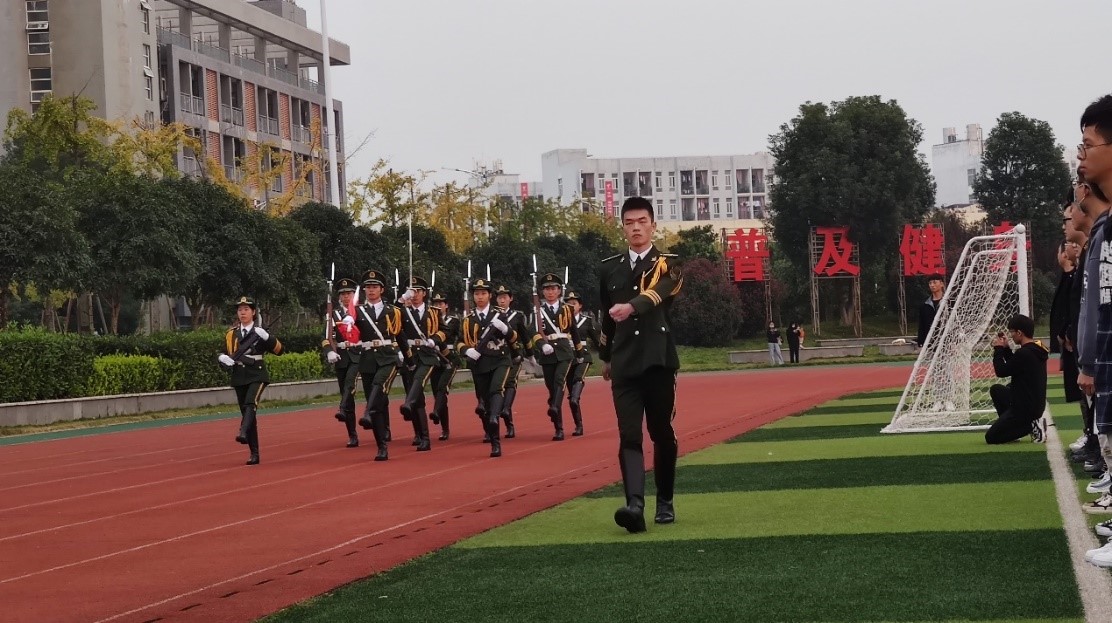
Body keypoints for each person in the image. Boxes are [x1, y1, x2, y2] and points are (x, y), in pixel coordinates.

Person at [599, 196, 683, 533]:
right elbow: (606, 316)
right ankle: (635, 505)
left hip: (659, 360)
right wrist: (606, 357)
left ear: (653, 225)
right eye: (630, 222)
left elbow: (663, 290)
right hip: (624, 362)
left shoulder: (669, 263)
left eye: (642, 221)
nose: (636, 227)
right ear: (623, 227)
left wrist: (631, 306)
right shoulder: (608, 268)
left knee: (661, 432)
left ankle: (665, 500)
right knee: (629, 434)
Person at [459, 278, 524, 458]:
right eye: (476, 294)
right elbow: (460, 341)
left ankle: (495, 422)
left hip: (500, 359)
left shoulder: (499, 314)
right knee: (485, 400)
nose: (479, 297)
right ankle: (491, 427)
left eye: (483, 293)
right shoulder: (468, 319)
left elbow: (513, 337)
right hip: (479, 364)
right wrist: (467, 350)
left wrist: (505, 329)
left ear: (489, 295)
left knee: (497, 389)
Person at [217, 296, 283, 466]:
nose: (243, 313)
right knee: (247, 413)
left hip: (257, 374)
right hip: (239, 375)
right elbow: (223, 351)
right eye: (240, 310)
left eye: (246, 309)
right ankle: (254, 453)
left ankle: (242, 431)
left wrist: (267, 337)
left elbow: (279, 350)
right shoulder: (231, 334)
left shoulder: (259, 332)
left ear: (253, 312)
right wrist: (222, 358)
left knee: (250, 404)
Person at [354, 269, 404, 462]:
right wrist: (347, 324)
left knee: (378, 386)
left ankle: (367, 412)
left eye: (375, 287)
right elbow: (351, 335)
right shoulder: (358, 311)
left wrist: (407, 358)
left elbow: (400, 336)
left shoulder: (393, 311)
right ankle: (381, 446)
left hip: (388, 358)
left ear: (382, 289)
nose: (371, 290)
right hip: (368, 359)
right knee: (376, 403)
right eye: (368, 287)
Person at [534, 272, 585, 441]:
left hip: (564, 352)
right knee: (552, 388)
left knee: (559, 381)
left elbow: (574, 332)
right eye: (547, 289)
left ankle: (556, 408)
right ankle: (559, 428)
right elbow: (534, 332)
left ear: (559, 291)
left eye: (553, 288)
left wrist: (580, 353)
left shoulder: (567, 309)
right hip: (547, 353)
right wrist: (542, 345)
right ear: (543, 292)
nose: (550, 292)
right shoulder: (538, 311)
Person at [397, 276, 446, 452]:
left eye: (418, 291)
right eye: (411, 291)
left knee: (418, 383)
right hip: (410, 355)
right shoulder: (403, 311)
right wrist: (401, 299)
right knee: (417, 398)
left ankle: (425, 436)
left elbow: (445, 330)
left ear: (424, 293)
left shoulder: (433, 312)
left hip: (428, 356)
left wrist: (434, 339)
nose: (414, 294)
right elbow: (390, 319)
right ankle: (419, 434)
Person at [984, 314, 1048, 445]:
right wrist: (1007, 349)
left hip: (1025, 408)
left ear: (1019, 333)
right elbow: (1015, 365)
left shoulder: (1024, 353)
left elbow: (1001, 371)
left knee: (991, 437)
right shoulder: (1035, 349)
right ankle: (1016, 429)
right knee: (997, 390)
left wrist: (998, 349)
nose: (1011, 335)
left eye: (1012, 332)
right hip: (1032, 403)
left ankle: (1031, 426)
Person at [322, 277, 363, 448]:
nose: (346, 297)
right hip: (342, 357)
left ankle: (341, 408)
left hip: (358, 355)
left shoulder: (361, 312)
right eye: (343, 294)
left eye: (349, 293)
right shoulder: (334, 315)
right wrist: (329, 351)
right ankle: (352, 434)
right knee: (347, 394)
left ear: (354, 295)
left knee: (349, 384)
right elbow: (325, 337)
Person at [494, 283, 531, 439]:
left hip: (514, 354)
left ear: (510, 299)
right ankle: (507, 421)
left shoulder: (517, 316)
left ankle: (506, 410)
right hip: (497, 355)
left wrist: (530, 354)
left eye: (504, 297)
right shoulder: (492, 315)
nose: (502, 300)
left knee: (510, 382)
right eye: (499, 298)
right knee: (497, 388)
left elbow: (525, 336)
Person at [565, 289, 600, 436]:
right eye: (568, 304)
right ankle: (578, 425)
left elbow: (596, 340)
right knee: (570, 388)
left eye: (574, 303)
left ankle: (575, 397)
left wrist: (606, 355)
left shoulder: (586, 320)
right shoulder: (562, 320)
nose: (571, 306)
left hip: (583, 356)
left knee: (578, 379)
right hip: (568, 357)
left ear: (580, 306)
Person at [429, 293, 459, 441]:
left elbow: (449, 334)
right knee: (437, 393)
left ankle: (436, 411)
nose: (438, 306)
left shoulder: (453, 320)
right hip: (435, 358)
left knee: (442, 388)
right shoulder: (429, 320)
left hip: (449, 358)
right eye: (435, 303)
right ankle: (444, 427)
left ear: (446, 305)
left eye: (441, 303)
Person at [917, 273, 946, 347]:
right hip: (930, 343)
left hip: (946, 341)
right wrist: (920, 341)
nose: (932, 285)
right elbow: (922, 326)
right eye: (930, 283)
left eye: (935, 282)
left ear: (941, 284)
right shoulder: (925, 305)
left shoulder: (949, 302)